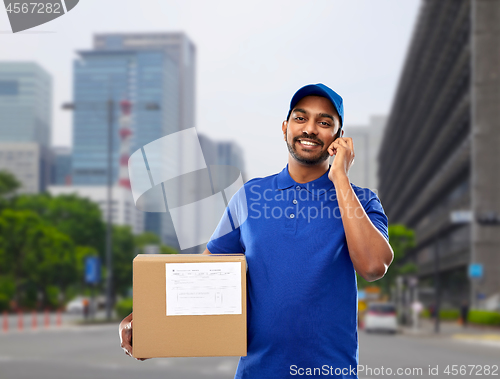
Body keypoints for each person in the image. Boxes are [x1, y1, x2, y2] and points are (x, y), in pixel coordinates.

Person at [119, 83, 394, 378]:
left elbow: (373, 266)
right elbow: (204, 276)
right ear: (285, 126)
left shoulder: (362, 200)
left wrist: (340, 178)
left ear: (339, 138)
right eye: (301, 118)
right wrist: (148, 322)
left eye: (325, 122)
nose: (311, 129)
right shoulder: (250, 196)